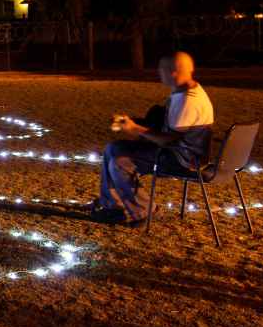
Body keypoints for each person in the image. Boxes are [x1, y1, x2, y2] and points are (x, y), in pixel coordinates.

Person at [91, 52, 214, 224]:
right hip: (180, 151)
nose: (159, 73)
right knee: (113, 148)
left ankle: (142, 210)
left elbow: (168, 140)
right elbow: (168, 130)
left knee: (120, 162)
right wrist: (132, 123)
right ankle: (112, 205)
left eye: (161, 70)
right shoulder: (186, 91)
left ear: (173, 72)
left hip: (183, 159)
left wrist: (135, 128)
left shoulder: (188, 101)